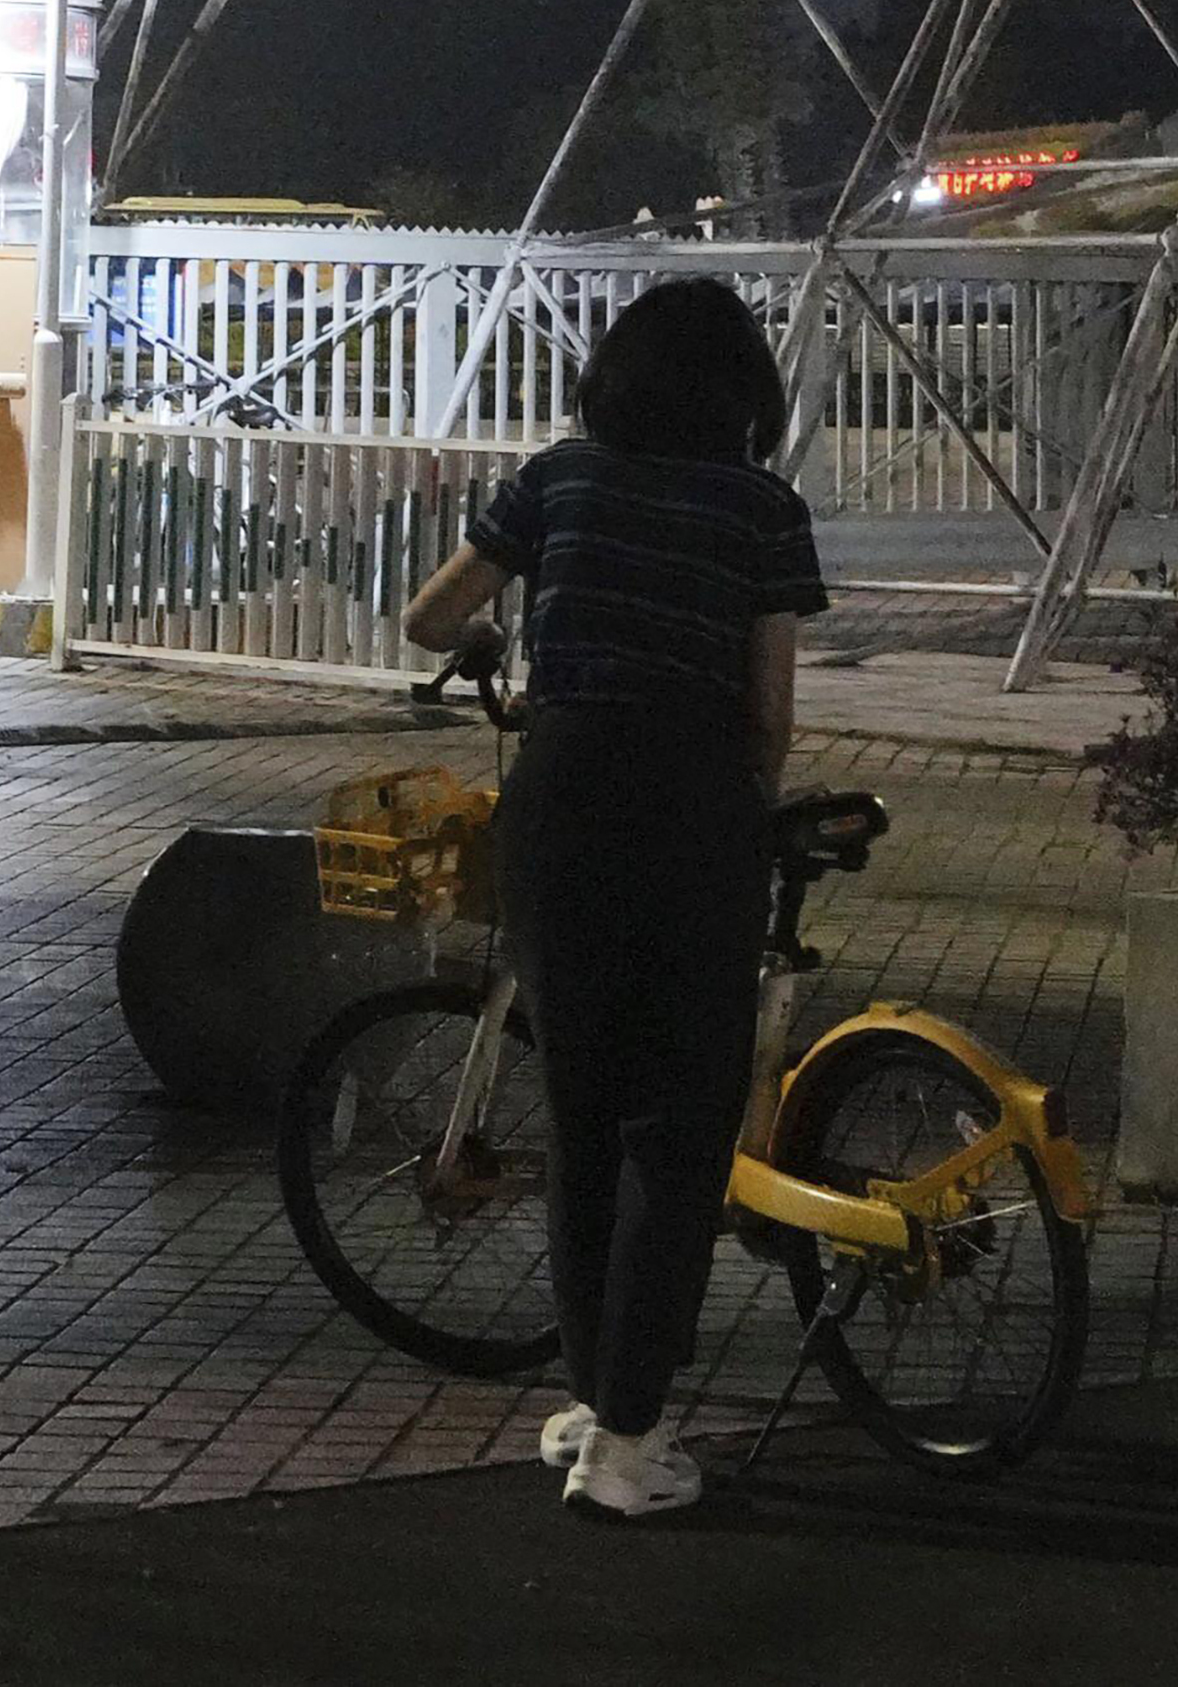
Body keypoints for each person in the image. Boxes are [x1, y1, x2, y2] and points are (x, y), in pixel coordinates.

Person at [400, 278, 826, 1523]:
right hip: (689, 809)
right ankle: (632, 1442)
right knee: (679, 1123)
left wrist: (515, 664)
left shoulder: (559, 480)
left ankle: (597, 1407)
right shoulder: (762, 511)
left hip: (561, 799)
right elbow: (771, 716)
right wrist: (738, 807)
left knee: (582, 1112)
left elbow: (430, 615)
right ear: (745, 394)